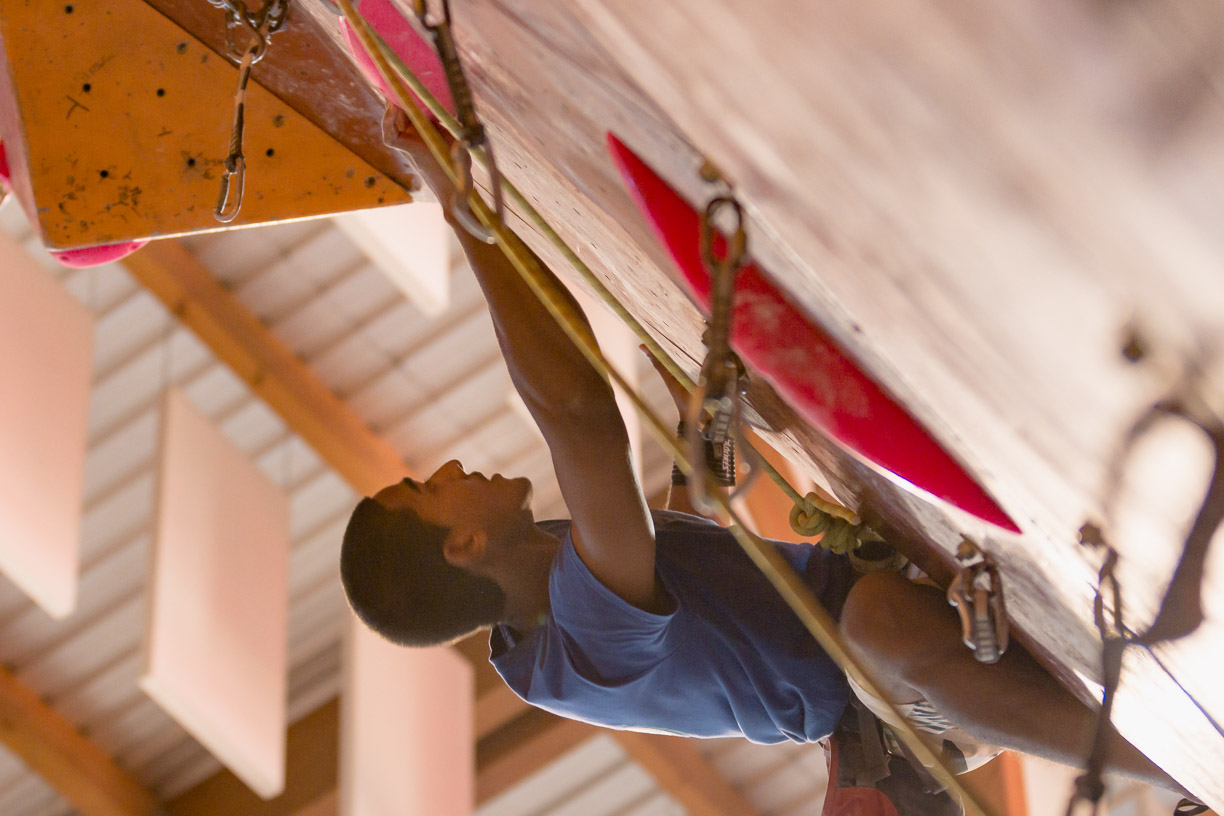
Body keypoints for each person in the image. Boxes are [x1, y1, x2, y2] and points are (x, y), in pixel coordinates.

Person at [339, 110, 1191, 802]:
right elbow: (580, 417)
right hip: (901, 696)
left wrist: (695, 427)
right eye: (426, 489)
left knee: (867, 580)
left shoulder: (551, 580)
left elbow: (687, 534)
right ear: (463, 546)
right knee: (878, 619)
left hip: (878, 635)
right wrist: (468, 211)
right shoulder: (577, 640)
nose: (445, 472)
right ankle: (1177, 766)